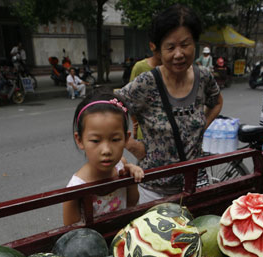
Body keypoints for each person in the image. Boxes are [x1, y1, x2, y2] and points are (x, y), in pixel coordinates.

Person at [115, 3, 223, 203]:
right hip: (153, 190)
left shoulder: (204, 77)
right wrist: (131, 145)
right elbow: (112, 108)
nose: (179, 54)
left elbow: (216, 102)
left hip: (194, 186)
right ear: (158, 49)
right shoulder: (147, 82)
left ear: (195, 43)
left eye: (185, 44)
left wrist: (201, 128)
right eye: (170, 47)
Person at [63, 92, 144, 225]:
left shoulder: (121, 166)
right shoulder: (75, 190)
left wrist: (131, 179)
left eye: (115, 139)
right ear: (80, 140)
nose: (106, 150)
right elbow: (72, 236)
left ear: (126, 139)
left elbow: (131, 202)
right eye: (95, 140)